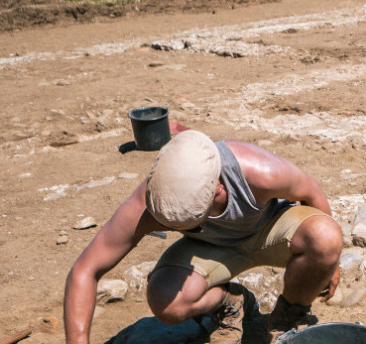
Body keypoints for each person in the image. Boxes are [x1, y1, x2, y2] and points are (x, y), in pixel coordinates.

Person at [63, 129, 343, 344]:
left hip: (270, 230)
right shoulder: (152, 200)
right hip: (210, 250)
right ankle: (230, 304)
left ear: (218, 190)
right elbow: (85, 271)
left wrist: (331, 264)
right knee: (165, 301)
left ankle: (287, 319)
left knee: (325, 237)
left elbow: (312, 193)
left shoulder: (260, 172)